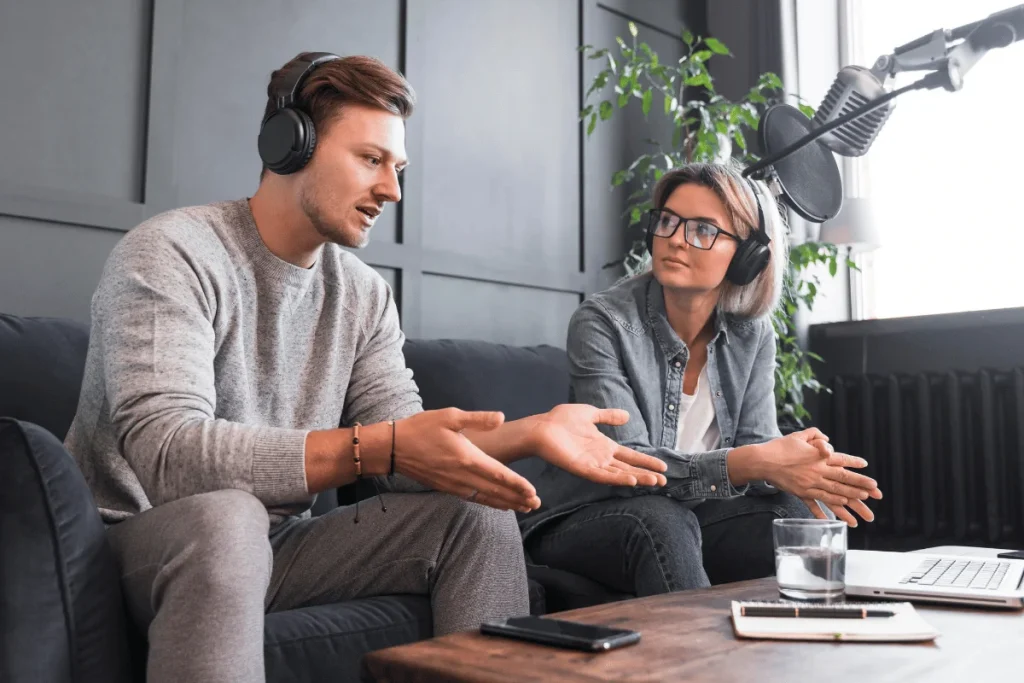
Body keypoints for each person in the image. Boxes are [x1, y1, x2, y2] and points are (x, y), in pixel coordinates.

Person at [63, 52, 668, 683]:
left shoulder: (362, 292)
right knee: (228, 514)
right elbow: (171, 457)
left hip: (278, 547)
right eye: (370, 159)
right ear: (288, 143)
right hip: (138, 542)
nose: (392, 190)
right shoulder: (173, 253)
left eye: (398, 167)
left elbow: (408, 449)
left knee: (475, 511)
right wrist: (375, 447)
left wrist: (531, 430)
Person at [522, 162, 883, 597]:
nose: (675, 238)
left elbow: (758, 445)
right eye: (669, 221)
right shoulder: (603, 322)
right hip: (586, 516)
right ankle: (697, 664)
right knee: (660, 518)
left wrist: (800, 467)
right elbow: (629, 467)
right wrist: (756, 462)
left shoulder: (752, 334)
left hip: (694, 514)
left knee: (793, 512)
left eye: (703, 229)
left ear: (749, 257)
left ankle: (811, 650)